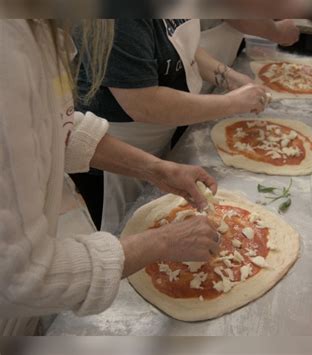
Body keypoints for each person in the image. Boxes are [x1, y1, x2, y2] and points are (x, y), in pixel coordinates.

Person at [0, 19, 219, 336]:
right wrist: (162, 241)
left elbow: (56, 125)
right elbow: (20, 278)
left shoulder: (40, 29)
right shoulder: (9, 52)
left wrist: (154, 168)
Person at [73, 19, 271, 233]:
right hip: (112, 153)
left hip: (157, 136)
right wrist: (233, 103)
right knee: (127, 235)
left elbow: (182, 49)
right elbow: (143, 104)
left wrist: (228, 77)